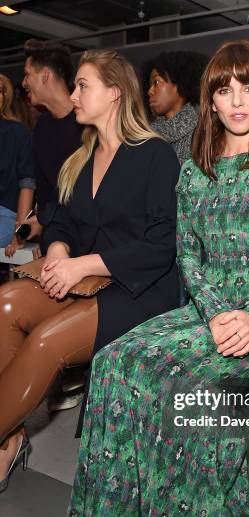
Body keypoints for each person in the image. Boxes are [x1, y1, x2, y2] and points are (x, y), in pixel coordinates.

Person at [57, 40, 249, 517]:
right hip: (206, 311)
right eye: (224, 90)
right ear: (211, 99)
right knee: (114, 361)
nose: (237, 101)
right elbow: (189, 256)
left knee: (173, 378)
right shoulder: (195, 171)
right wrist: (218, 309)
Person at [0, 49, 181, 493]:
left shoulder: (155, 155)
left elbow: (161, 245)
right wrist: (59, 250)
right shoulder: (80, 158)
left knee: (47, 341)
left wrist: (79, 263)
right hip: (85, 280)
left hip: (138, 290)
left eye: (83, 85)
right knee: (5, 302)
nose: (74, 94)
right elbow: (60, 222)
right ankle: (11, 436)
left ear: (115, 92)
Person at [22, 39, 83, 247]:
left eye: (27, 74)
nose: (23, 83)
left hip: (91, 238)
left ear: (45, 75)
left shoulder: (88, 124)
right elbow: (46, 189)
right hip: (57, 235)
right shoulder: (41, 128)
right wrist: (42, 220)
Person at [143, 51, 208, 164]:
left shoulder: (203, 133)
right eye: (149, 85)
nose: (150, 91)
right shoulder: (144, 136)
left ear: (179, 84)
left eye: (156, 82)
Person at [0, 75, 35, 252]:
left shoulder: (17, 132)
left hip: (7, 215)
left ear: (5, 97)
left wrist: (19, 233)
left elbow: (27, 183)